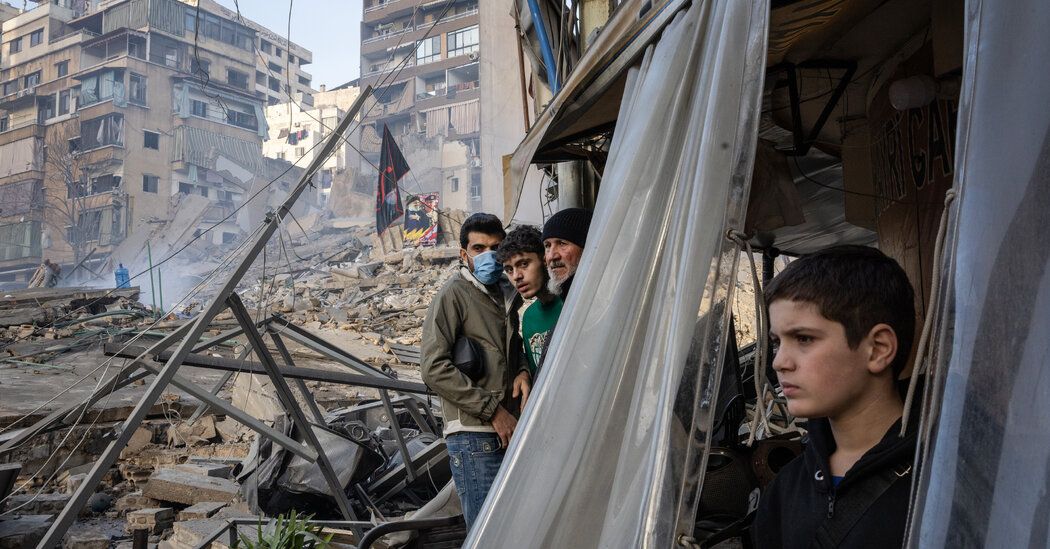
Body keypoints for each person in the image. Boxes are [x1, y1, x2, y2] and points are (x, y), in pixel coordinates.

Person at [751, 245, 917, 549]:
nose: (779, 362)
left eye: (804, 338)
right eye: (777, 342)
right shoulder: (786, 490)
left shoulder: (948, 483)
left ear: (878, 349)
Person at [420, 212, 530, 528]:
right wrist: (493, 411)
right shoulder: (454, 293)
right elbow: (433, 367)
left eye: (495, 248)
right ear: (463, 254)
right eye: (479, 248)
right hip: (473, 437)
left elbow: (511, 348)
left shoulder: (504, 293)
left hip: (507, 430)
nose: (488, 256)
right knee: (486, 532)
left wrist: (522, 370)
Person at [496, 225, 559, 383]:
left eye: (524, 264)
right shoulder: (529, 317)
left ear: (544, 260)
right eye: (509, 270)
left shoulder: (571, 304)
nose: (516, 276)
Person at [535, 208, 593, 368]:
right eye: (547, 246)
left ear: (587, 247)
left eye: (562, 243)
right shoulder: (570, 303)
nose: (552, 256)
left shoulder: (597, 306)